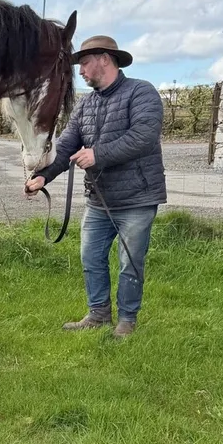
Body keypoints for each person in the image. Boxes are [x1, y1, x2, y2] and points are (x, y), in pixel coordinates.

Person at [25, 35, 166, 337]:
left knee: (130, 262)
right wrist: (42, 177)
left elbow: (144, 136)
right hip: (99, 202)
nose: (81, 71)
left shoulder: (141, 92)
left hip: (137, 199)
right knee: (90, 257)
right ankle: (98, 314)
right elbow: (65, 147)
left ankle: (127, 320)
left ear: (104, 59)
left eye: (85, 63)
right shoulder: (85, 104)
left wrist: (97, 154)